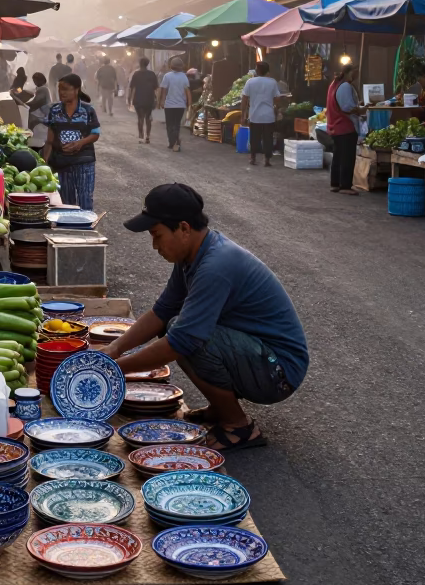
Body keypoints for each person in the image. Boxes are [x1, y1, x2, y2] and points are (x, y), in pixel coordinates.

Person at [107, 183, 309, 450]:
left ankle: (239, 426)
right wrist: (114, 349)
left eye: (156, 235)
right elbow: (161, 311)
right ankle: (221, 408)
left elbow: (181, 341)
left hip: (279, 373)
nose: (154, 245)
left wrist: (116, 369)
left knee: (185, 334)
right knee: (175, 326)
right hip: (257, 355)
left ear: (184, 229)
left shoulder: (216, 265)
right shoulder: (192, 256)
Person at [43, 73, 100, 210]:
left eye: (66, 89)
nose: (61, 92)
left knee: (85, 200)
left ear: (76, 90)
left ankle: (86, 230)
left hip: (84, 163)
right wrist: (44, 163)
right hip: (61, 163)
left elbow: (95, 134)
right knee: (65, 203)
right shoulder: (54, 110)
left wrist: (80, 143)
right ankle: (68, 231)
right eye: (60, 88)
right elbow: (50, 140)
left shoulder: (87, 110)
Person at [327, 64, 365, 196]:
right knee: (347, 157)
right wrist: (361, 109)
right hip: (345, 125)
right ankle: (345, 185)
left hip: (335, 125)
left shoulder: (335, 84)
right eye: (356, 72)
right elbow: (347, 107)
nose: (357, 75)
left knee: (338, 155)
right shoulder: (345, 86)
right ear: (351, 72)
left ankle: (335, 183)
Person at [241, 61, 282, 167]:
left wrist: (243, 115)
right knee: (268, 138)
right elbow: (277, 98)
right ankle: (267, 160)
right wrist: (274, 105)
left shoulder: (250, 82)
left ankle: (253, 158)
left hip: (254, 115)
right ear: (268, 71)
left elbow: (244, 99)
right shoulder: (272, 82)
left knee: (254, 137)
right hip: (268, 116)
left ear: (257, 70)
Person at [158, 56, 192, 152]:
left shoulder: (167, 76)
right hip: (180, 105)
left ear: (171, 66)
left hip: (169, 105)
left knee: (169, 124)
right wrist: (189, 104)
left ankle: (171, 142)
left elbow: (164, 90)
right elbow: (187, 91)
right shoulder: (184, 76)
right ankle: (175, 141)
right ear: (181, 66)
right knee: (176, 124)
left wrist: (162, 101)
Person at [129, 57, 159, 144]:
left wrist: (129, 99)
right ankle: (147, 137)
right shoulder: (152, 74)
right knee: (148, 118)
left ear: (139, 64)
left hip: (138, 99)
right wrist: (157, 99)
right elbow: (156, 88)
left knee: (140, 118)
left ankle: (141, 136)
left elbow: (132, 88)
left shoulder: (136, 74)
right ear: (147, 64)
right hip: (149, 98)